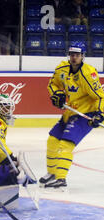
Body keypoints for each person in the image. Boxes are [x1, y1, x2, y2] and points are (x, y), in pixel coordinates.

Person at [39, 42, 104, 190]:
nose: (74, 58)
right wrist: (57, 94)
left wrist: (100, 114)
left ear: (83, 56)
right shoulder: (62, 69)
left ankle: (61, 179)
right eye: (72, 55)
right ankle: (52, 173)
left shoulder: (88, 74)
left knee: (65, 145)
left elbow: (100, 97)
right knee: (52, 141)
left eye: (77, 55)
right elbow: (52, 84)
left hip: (86, 113)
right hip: (70, 112)